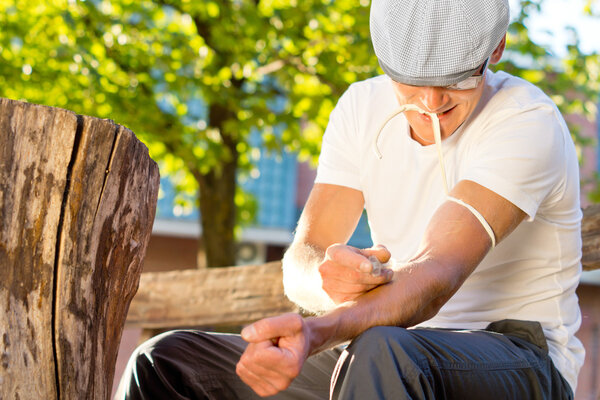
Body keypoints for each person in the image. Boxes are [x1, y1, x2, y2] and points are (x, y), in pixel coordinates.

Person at [115, 0, 585, 398]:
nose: (430, 101)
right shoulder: (361, 107)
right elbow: (303, 258)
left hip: (521, 357)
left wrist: (316, 333)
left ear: (495, 48)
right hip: (389, 350)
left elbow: (436, 273)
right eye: (410, 80)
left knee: (383, 349)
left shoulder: (527, 120)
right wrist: (332, 282)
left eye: (457, 79)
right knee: (164, 361)